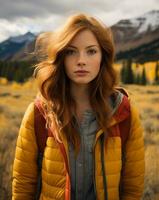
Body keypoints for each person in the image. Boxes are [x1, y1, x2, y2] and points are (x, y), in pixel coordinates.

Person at [12, 13, 145, 200]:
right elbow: (23, 185)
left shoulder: (124, 113)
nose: (81, 60)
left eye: (91, 51)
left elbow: (133, 187)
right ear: (61, 57)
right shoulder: (38, 113)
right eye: (71, 51)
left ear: (103, 57)